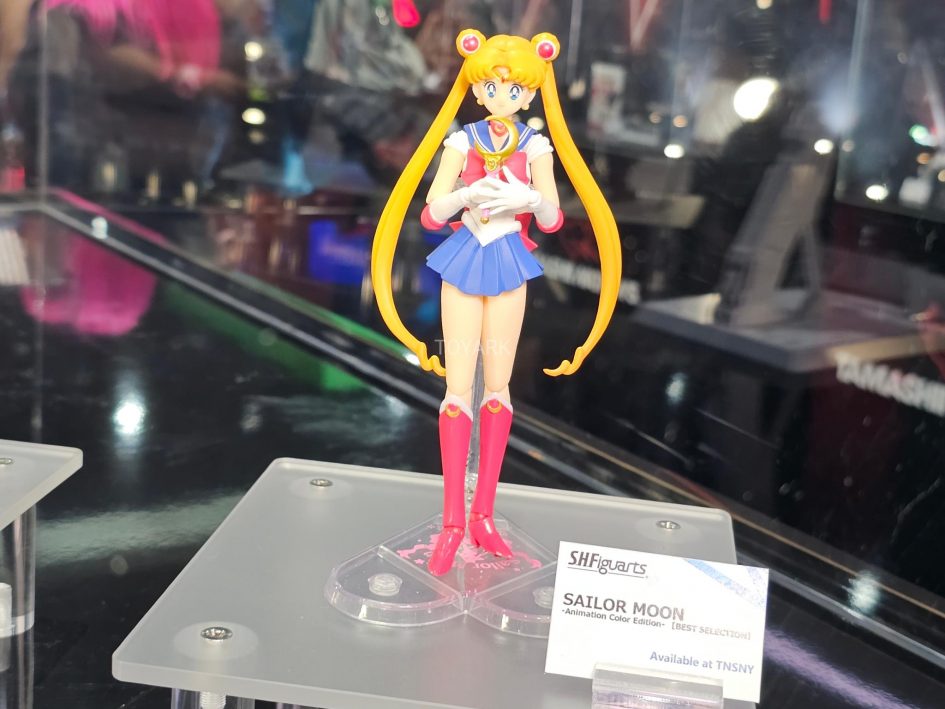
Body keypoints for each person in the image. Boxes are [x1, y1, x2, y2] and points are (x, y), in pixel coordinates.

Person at [372, 30, 622, 575]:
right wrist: (465, 195)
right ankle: (452, 523)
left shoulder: (536, 146)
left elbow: (552, 220)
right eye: (490, 86)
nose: (501, 95)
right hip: (465, 258)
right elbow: (431, 214)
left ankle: (482, 515)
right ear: (476, 88)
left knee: (498, 387)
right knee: (457, 388)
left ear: (529, 93)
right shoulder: (461, 142)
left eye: (512, 89)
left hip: (509, 261)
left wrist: (527, 197)